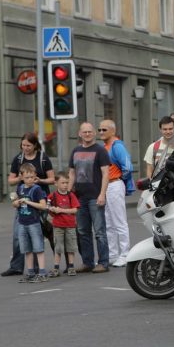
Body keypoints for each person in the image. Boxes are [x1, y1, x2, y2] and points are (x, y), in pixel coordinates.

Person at [1, 133, 54, 277]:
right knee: (18, 234)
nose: (25, 148)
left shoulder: (43, 158)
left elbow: (52, 179)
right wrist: (22, 177)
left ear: (35, 145)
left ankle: (37, 268)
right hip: (23, 201)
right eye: (23, 145)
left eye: (28, 146)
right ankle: (16, 266)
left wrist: (39, 180)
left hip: (39, 200)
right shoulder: (18, 159)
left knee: (36, 234)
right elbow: (11, 181)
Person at [68, 122, 111, 273]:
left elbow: (106, 173)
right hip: (79, 197)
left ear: (94, 134)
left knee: (99, 231)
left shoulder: (100, 151)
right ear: (79, 134)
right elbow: (72, 173)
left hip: (95, 196)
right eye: (84, 132)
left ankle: (104, 262)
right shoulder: (75, 150)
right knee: (82, 231)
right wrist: (68, 193)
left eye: (90, 132)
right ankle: (87, 262)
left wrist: (102, 194)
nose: (87, 134)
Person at [98, 119, 132, 267]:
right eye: (99, 130)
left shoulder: (117, 146)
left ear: (112, 131)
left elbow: (128, 167)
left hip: (114, 184)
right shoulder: (105, 146)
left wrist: (119, 180)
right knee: (108, 223)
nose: (101, 132)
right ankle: (112, 254)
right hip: (107, 186)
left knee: (119, 222)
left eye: (104, 130)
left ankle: (125, 254)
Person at [12, 163, 49, 283]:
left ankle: (42, 273)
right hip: (22, 222)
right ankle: (30, 272)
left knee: (38, 248)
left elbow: (43, 206)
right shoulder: (20, 188)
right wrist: (16, 203)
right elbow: (15, 203)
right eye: (27, 177)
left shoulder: (37, 189)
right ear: (21, 177)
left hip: (34, 222)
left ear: (35, 176)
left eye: (32, 177)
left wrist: (28, 202)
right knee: (26, 249)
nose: (30, 180)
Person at [47, 173, 80, 277]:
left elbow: (75, 209)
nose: (65, 185)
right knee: (58, 247)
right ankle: (56, 268)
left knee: (71, 247)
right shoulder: (53, 196)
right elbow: (47, 206)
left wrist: (61, 210)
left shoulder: (71, 195)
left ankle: (71, 267)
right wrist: (51, 209)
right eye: (63, 183)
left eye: (67, 182)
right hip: (58, 226)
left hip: (70, 225)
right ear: (56, 183)